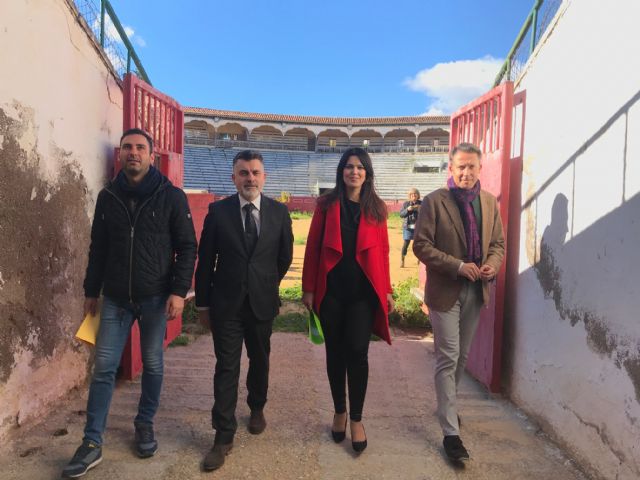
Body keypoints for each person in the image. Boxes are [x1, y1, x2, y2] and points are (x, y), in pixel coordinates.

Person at [62, 128, 197, 478]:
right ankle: (92, 442)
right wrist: (91, 291)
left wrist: (178, 291)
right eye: (127, 148)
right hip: (116, 299)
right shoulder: (108, 196)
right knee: (104, 368)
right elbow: (98, 247)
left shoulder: (171, 196)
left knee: (153, 364)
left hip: (156, 297)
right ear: (120, 154)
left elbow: (187, 248)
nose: (133, 152)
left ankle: (145, 423)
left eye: (139, 147)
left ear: (152, 155)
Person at [194, 150, 293, 471]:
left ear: (264, 177)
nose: (250, 178)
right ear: (234, 177)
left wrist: (265, 283)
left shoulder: (279, 212)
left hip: (262, 302)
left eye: (255, 172)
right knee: (227, 367)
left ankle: (257, 407)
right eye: (243, 173)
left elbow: (284, 257)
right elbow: (206, 261)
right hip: (227, 304)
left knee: (260, 360)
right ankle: (223, 436)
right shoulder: (218, 212)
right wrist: (203, 303)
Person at [412, 142, 504, 462]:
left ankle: (447, 406)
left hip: (476, 290)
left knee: (461, 357)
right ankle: (451, 433)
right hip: (445, 290)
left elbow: (498, 244)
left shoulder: (489, 202)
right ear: (450, 168)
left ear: (480, 169)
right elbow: (421, 246)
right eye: (460, 166)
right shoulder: (434, 201)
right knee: (448, 357)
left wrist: (491, 264)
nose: (466, 172)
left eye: (471, 166)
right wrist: (458, 266)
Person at [302, 147, 394, 454]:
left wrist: (387, 289)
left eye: (360, 167)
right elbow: (313, 247)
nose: (354, 172)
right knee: (335, 354)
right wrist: (308, 288)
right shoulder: (326, 205)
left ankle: (356, 419)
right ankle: (339, 411)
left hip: (362, 296)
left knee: (358, 354)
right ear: (341, 171)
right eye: (349, 166)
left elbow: (383, 252)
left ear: (367, 174)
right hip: (331, 293)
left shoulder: (377, 208)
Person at [399, 187, 422, 267]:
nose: (413, 196)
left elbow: (427, 214)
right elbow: (401, 215)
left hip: (418, 228)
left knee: (419, 244)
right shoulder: (406, 204)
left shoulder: (422, 203)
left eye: (415, 194)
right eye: (412, 194)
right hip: (408, 228)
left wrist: (420, 208)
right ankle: (402, 260)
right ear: (409, 196)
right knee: (406, 244)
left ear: (418, 195)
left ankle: (420, 259)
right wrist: (407, 210)